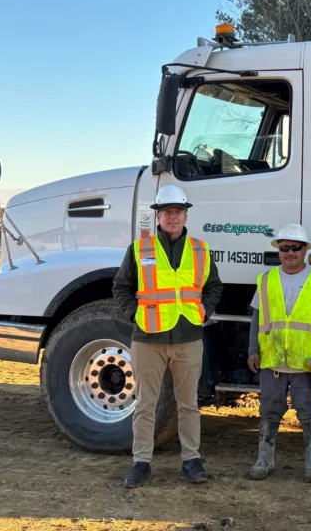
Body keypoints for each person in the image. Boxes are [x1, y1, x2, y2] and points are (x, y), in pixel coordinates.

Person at [112, 184, 223, 488]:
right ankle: (141, 463)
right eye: (167, 212)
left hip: (188, 337)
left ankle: (191, 460)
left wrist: (203, 312)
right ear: (158, 216)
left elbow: (214, 286)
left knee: (188, 403)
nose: (173, 217)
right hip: (148, 338)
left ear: (185, 216)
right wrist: (133, 314)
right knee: (146, 403)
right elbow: (120, 287)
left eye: (178, 212)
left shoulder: (200, 249)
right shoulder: (139, 249)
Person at [246, 223, 311, 483]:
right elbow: (257, 318)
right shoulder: (266, 280)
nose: (290, 253)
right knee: (269, 410)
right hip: (272, 361)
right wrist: (253, 350)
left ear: (305, 250)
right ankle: (264, 460)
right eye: (285, 248)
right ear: (279, 251)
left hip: (304, 363)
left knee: (308, 411)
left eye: (295, 248)